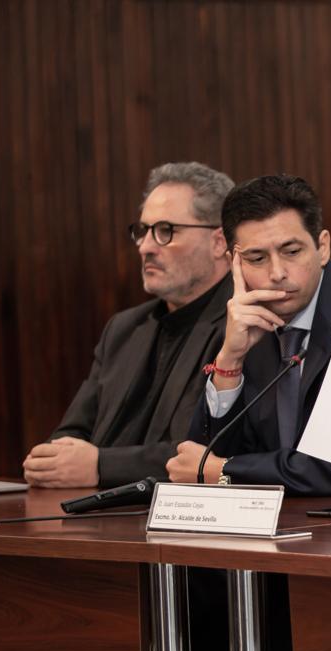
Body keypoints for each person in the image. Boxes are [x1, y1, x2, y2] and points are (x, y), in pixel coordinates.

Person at [168, 174, 331, 492]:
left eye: (292, 252)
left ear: (322, 247)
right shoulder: (246, 322)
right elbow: (197, 464)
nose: (277, 273)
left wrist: (228, 470)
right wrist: (231, 359)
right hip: (281, 524)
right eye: (256, 258)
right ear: (233, 264)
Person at [23, 162, 233, 488]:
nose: (145, 247)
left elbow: (207, 450)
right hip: (99, 513)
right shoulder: (123, 329)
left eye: (165, 231)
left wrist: (101, 466)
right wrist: (53, 459)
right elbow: (74, 429)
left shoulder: (240, 328)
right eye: (142, 231)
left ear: (219, 242)